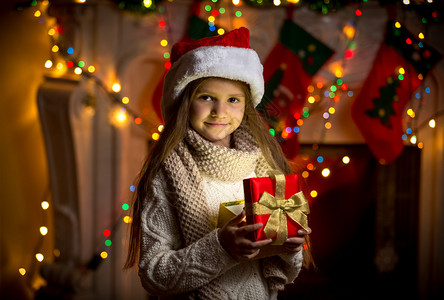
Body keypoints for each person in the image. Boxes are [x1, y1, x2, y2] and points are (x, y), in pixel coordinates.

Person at [124, 27, 312, 299]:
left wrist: (290, 247)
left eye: (233, 100)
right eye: (206, 97)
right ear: (185, 101)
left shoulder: (263, 164)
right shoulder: (167, 174)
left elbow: (285, 271)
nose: (220, 112)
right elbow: (154, 274)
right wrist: (221, 247)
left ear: (246, 105)